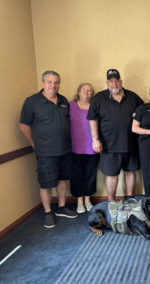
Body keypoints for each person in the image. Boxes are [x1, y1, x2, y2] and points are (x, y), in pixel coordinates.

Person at [19, 70, 77, 228]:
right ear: (43, 83)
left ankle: (62, 207)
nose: (53, 85)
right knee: (45, 183)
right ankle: (47, 212)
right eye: (50, 82)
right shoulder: (32, 101)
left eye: (56, 82)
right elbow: (24, 124)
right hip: (45, 151)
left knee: (62, 179)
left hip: (65, 149)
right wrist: (33, 143)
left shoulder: (64, 100)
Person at [87, 69, 143, 201]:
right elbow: (92, 119)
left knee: (130, 172)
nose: (114, 83)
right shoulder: (99, 98)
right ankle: (111, 202)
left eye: (116, 80)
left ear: (121, 81)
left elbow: (145, 111)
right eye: (111, 81)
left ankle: (130, 199)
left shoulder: (133, 97)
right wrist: (95, 139)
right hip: (109, 145)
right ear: (107, 82)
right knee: (111, 175)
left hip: (131, 143)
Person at [69, 83, 99, 213]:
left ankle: (87, 200)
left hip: (92, 147)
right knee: (77, 175)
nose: (87, 92)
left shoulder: (95, 106)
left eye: (89, 90)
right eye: (84, 90)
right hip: (74, 147)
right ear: (78, 92)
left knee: (90, 175)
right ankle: (79, 202)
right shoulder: (70, 105)